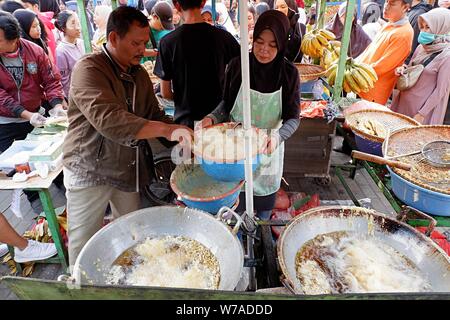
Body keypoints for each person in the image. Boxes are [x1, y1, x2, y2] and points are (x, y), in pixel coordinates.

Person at [63, 6, 192, 266]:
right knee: (83, 242)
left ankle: (127, 283)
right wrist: (167, 129)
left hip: (127, 168)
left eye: (144, 43)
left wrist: (182, 135)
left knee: (131, 235)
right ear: (113, 38)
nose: (141, 49)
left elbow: (155, 115)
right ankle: (80, 288)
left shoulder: (140, 75)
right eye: (135, 43)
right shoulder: (89, 69)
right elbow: (110, 120)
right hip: (89, 168)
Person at [197, 10, 300, 220]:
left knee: (262, 209)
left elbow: (293, 118)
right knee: (235, 207)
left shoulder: (289, 73)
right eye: (260, 41)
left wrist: (278, 137)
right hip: (235, 151)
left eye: (273, 45)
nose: (264, 50)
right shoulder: (238, 65)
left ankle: (261, 239)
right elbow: (226, 105)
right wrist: (212, 118)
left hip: (268, 152)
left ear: (281, 44)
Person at [154, 0, 240, 128]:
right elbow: (241, 75)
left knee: (188, 149)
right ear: (203, 3)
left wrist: (183, 100)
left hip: (185, 123)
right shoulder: (224, 38)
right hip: (218, 120)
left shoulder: (167, 42)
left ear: (176, 5)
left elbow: (165, 92)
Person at [0, 11, 64, 152]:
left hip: (36, 118)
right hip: (5, 123)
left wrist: (57, 106)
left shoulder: (35, 51)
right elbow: (1, 97)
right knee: (9, 168)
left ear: (13, 39)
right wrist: (28, 115)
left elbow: (52, 80)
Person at [391, 8, 450, 124]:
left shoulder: (446, 56)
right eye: (422, 27)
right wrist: (402, 69)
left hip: (419, 113)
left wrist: (422, 114)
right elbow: (410, 68)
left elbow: (441, 91)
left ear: (442, 28)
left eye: (428, 27)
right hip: (403, 104)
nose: (423, 31)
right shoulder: (421, 47)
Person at [357, 0, 414, 105]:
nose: (386, 6)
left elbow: (383, 66)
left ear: (405, 7)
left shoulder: (404, 34)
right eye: (386, 1)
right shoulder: (389, 24)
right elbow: (371, 50)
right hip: (363, 83)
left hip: (373, 91)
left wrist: (357, 73)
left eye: (392, 4)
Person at [55, 10, 84, 99]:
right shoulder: (61, 50)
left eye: (78, 23)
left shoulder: (82, 42)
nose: (78, 27)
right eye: (73, 24)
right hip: (77, 95)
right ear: (63, 28)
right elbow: (64, 80)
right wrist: (71, 98)